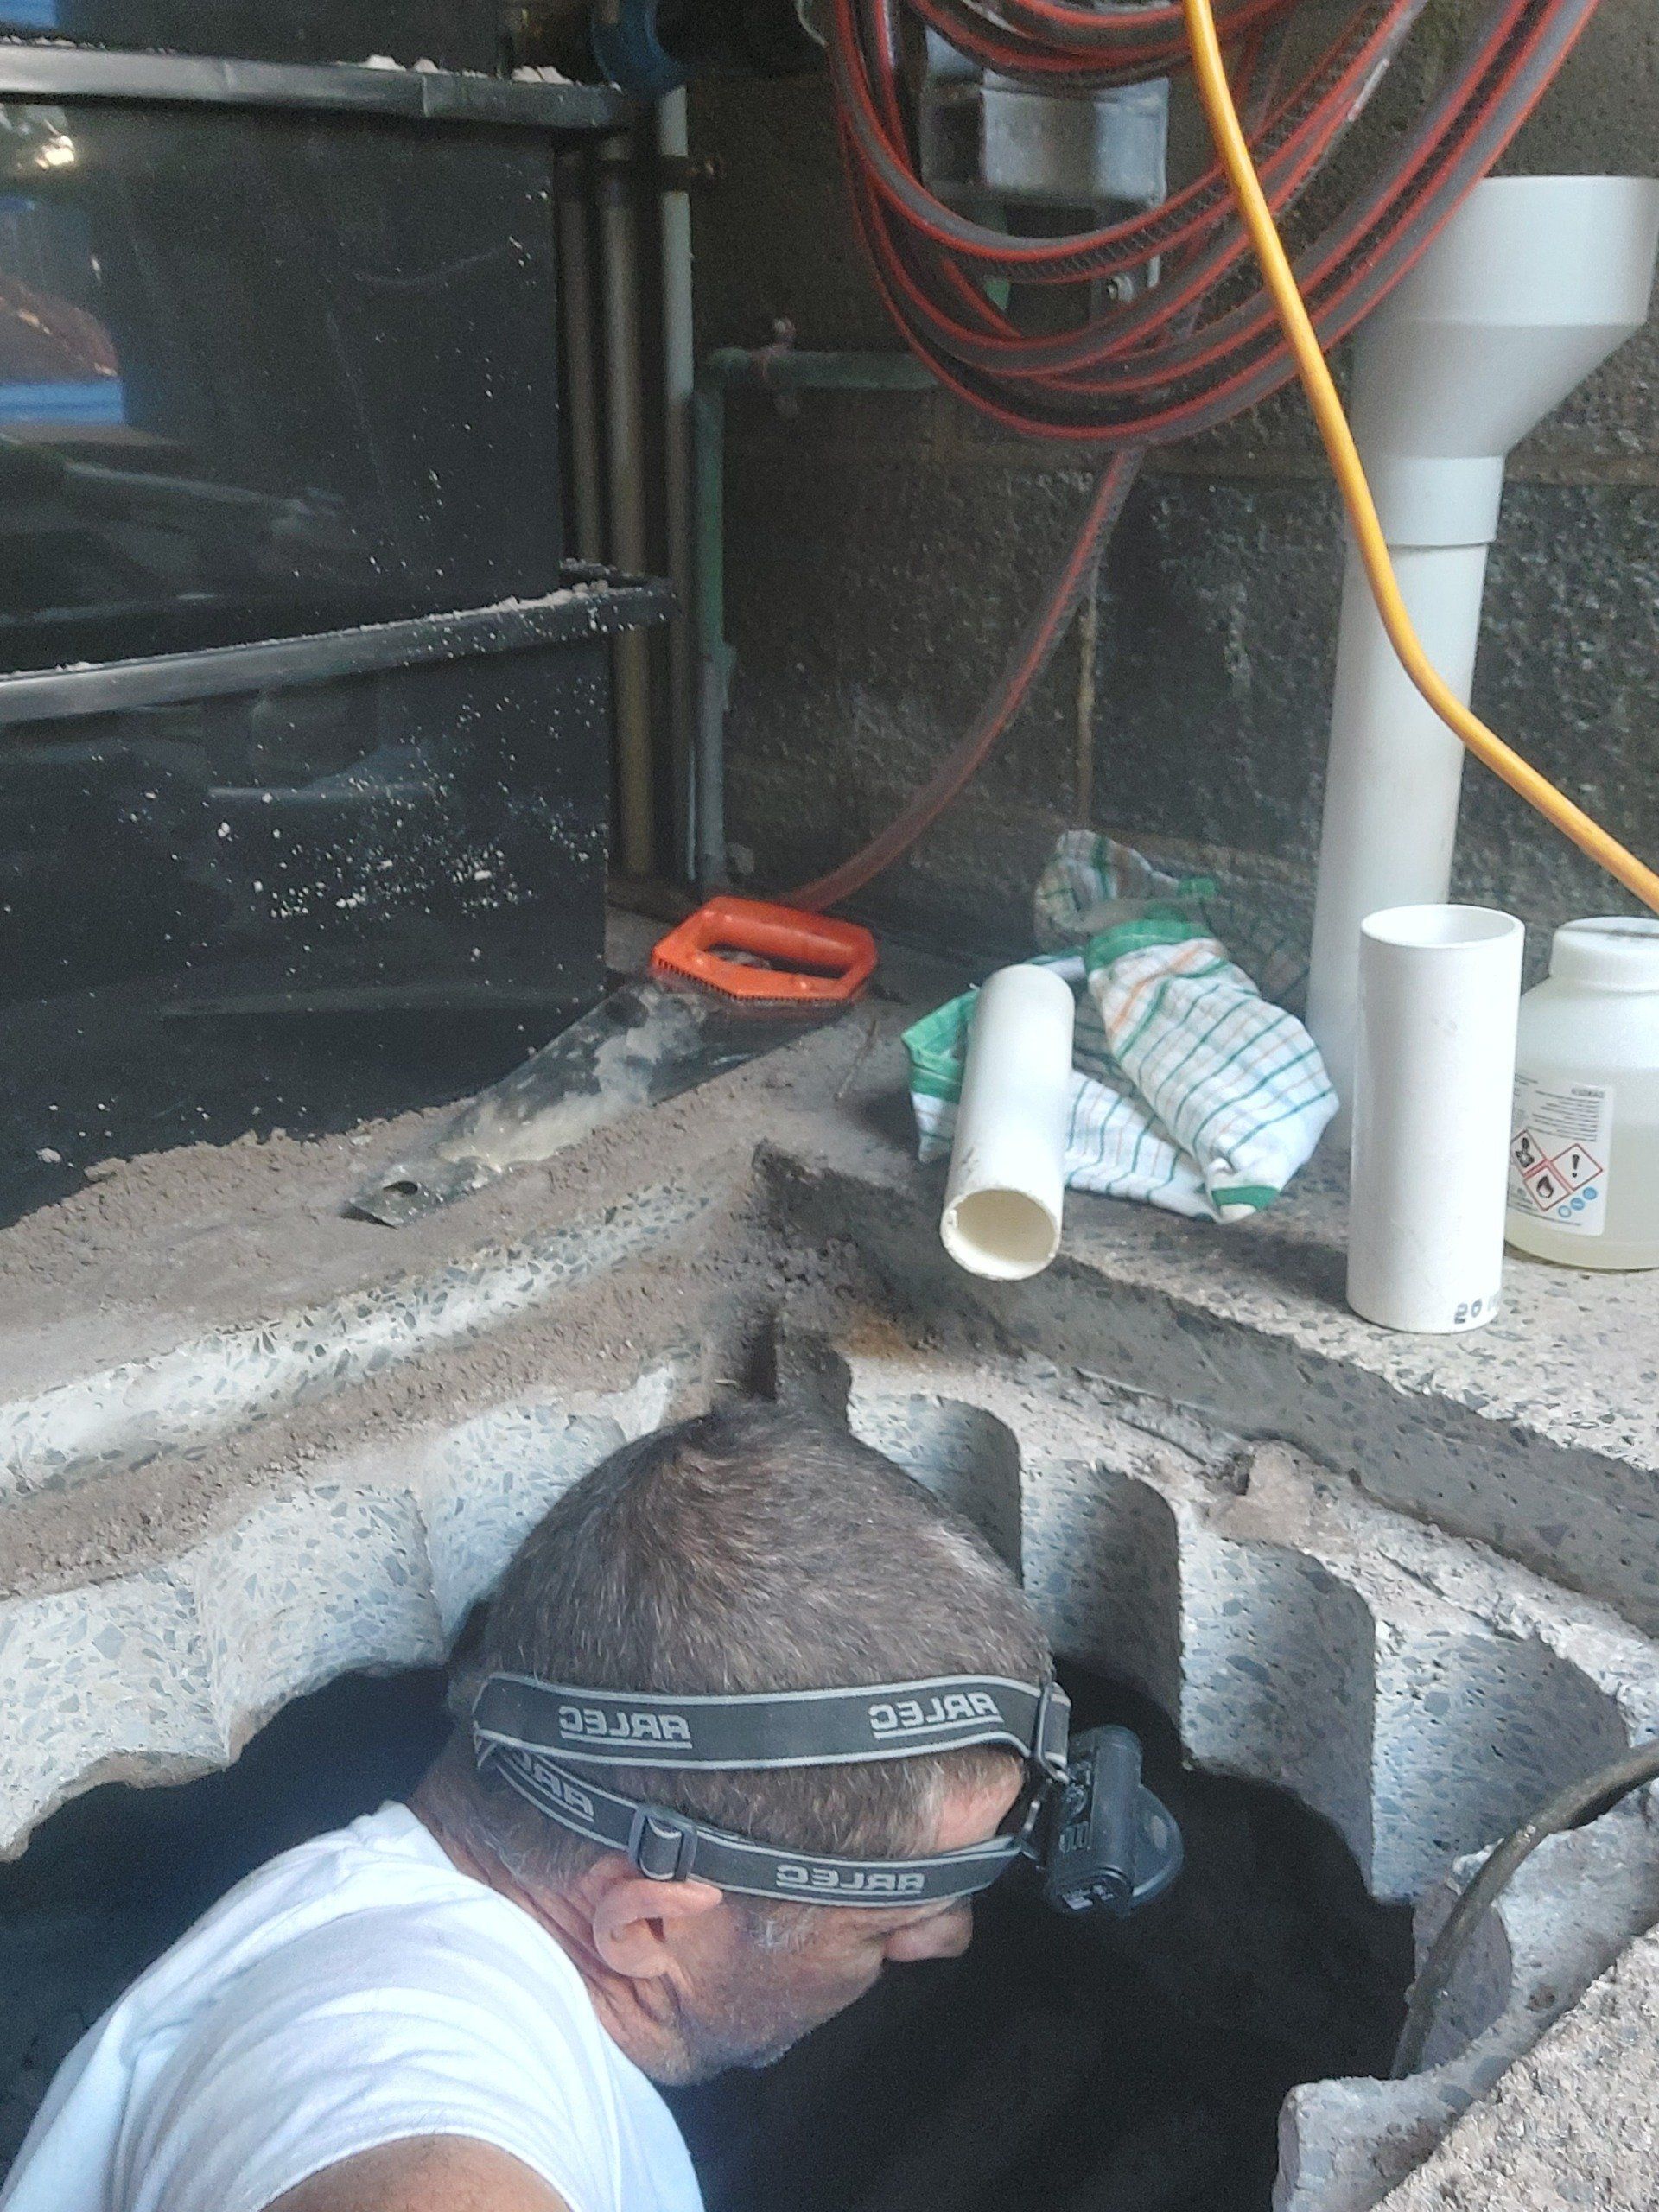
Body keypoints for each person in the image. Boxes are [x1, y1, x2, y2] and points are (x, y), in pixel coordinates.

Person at [1, 1402, 1052, 2212]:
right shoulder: (386, 2046)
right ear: (644, 1923)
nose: (943, 1940)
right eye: (887, 1917)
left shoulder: (433, 1958)